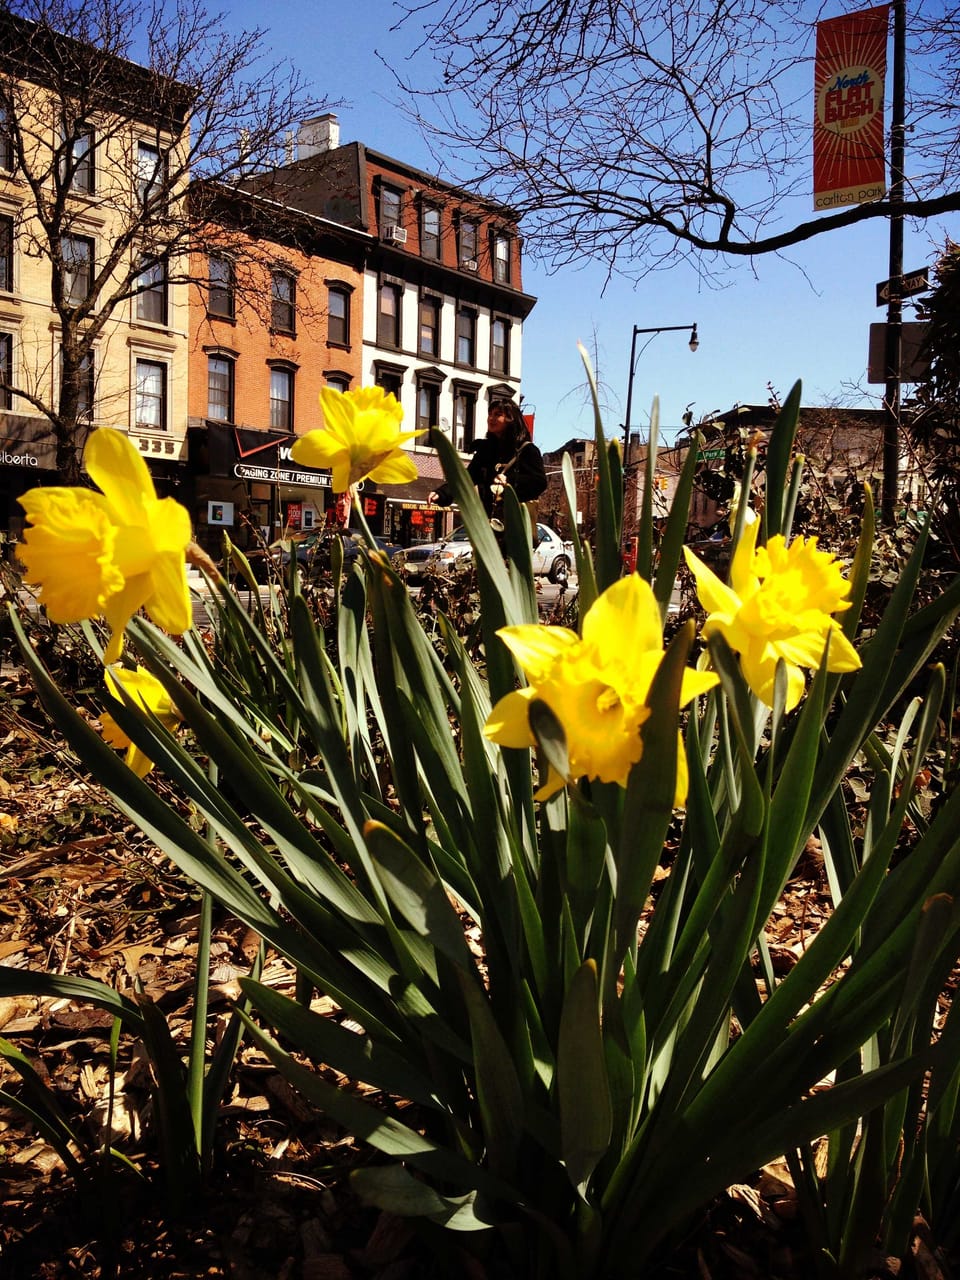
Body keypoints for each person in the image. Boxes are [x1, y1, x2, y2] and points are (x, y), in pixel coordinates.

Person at [428, 400, 547, 541]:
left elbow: (539, 482)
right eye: (490, 414)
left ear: (511, 419)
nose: (491, 418)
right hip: (488, 526)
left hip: (516, 527)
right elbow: (467, 478)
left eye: (498, 414)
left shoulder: (527, 450)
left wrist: (508, 483)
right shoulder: (485, 451)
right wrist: (442, 493)